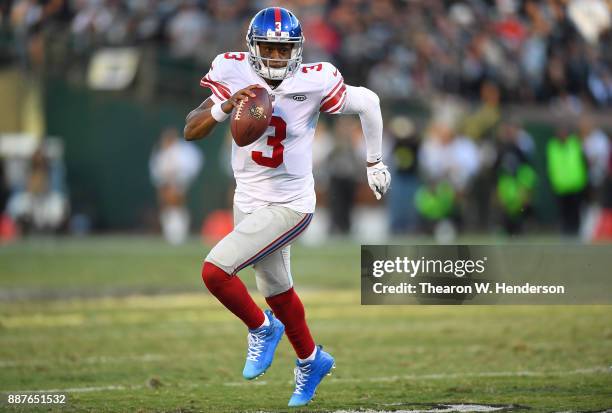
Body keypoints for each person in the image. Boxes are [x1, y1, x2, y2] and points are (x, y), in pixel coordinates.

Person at [183, 7, 390, 407]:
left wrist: (374, 160)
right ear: (253, 47)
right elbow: (191, 128)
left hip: (290, 203)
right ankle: (312, 360)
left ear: (296, 50)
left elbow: (369, 102)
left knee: (215, 271)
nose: (276, 58)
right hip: (248, 197)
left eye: (283, 50)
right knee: (277, 291)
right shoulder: (232, 71)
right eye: (269, 48)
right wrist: (225, 107)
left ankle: (261, 328)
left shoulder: (315, 79)